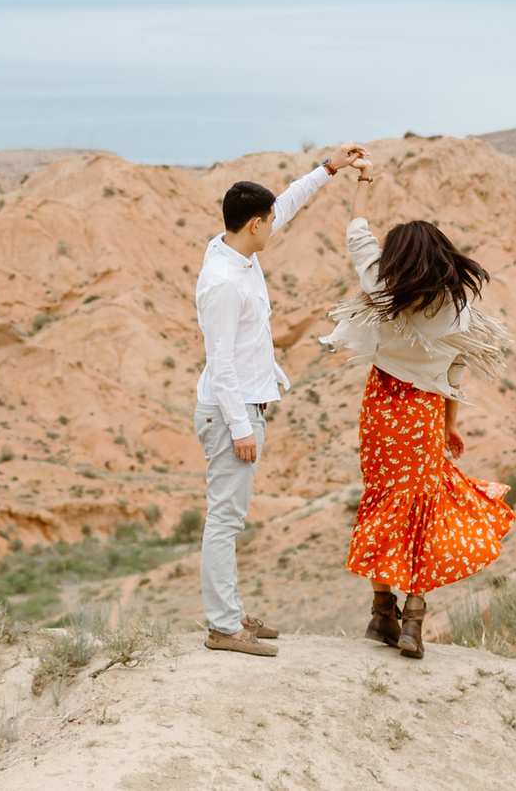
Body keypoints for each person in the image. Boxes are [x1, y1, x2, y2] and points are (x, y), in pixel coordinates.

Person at [196, 142, 370, 657]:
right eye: (269, 221)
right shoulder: (226, 282)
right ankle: (224, 627)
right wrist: (241, 427)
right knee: (224, 521)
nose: (276, 225)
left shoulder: (231, 249)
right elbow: (221, 361)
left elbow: (287, 204)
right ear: (253, 225)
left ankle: (230, 613)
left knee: (230, 518)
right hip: (234, 412)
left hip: (245, 405)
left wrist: (327, 170)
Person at [325, 215, 516, 658]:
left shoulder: (381, 291)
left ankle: (380, 613)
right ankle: (412, 619)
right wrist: (448, 426)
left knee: (381, 502)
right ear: (441, 256)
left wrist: (361, 183)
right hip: (423, 412)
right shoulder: (454, 309)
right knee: (423, 510)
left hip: (381, 411)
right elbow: (455, 373)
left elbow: (358, 239)